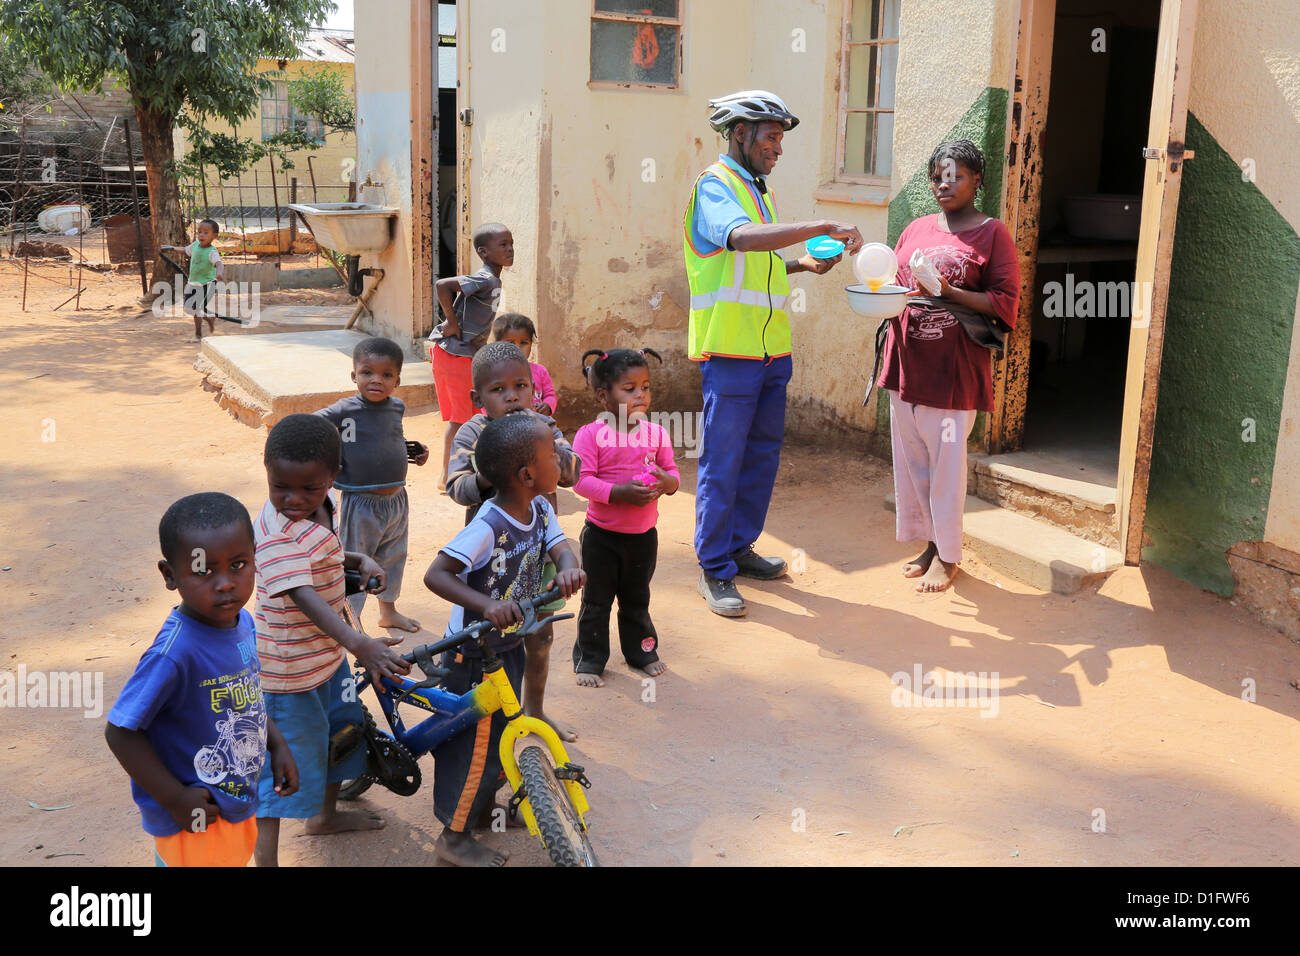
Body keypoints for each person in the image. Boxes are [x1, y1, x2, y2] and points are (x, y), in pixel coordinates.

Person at [685, 90, 864, 617]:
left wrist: (801, 266)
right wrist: (820, 226)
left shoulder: (756, 189)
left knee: (761, 456)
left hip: (771, 351)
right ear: (739, 132)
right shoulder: (716, 186)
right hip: (730, 351)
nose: (778, 148)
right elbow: (740, 241)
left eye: (781, 138)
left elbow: (754, 262)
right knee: (724, 461)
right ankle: (714, 567)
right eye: (770, 136)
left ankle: (739, 547)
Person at [423, 412, 586, 866]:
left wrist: (569, 565)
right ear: (527, 473)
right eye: (553, 454)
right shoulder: (488, 525)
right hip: (473, 652)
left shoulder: (540, 507)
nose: (561, 459)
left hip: (508, 645)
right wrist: (485, 604)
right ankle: (451, 841)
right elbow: (436, 574)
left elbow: (559, 544)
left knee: (499, 739)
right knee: (471, 749)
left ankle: (481, 813)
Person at [252, 414, 412, 866]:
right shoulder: (275, 535)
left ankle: (323, 816)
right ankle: (266, 860)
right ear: (266, 470)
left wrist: (359, 560)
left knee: (340, 737)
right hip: (289, 675)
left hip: (327, 658)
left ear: (333, 478)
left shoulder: (324, 507)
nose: (294, 500)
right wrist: (358, 643)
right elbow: (304, 596)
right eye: (281, 486)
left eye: (309, 489)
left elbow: (323, 552)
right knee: (283, 767)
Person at [105, 493, 298, 867]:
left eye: (238, 564)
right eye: (203, 571)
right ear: (169, 575)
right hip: (196, 817)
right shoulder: (174, 654)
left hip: (233, 802)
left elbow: (247, 699)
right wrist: (175, 799)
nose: (225, 583)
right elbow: (120, 732)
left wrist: (277, 745)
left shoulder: (242, 623)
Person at [881, 140, 1021, 592]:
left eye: (956, 175)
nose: (945, 183)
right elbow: (897, 285)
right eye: (938, 176)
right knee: (913, 462)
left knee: (946, 465)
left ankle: (950, 555)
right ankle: (930, 544)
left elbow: (1003, 304)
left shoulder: (991, 233)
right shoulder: (916, 228)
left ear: (976, 180)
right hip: (905, 363)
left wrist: (947, 291)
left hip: (954, 369)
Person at [446, 340, 581, 741]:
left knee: (539, 636)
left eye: (521, 386)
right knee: (493, 643)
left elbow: (571, 473)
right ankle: (490, 721)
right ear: (478, 397)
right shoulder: (473, 432)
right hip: (493, 560)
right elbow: (457, 487)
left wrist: (542, 440)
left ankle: (534, 712)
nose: (512, 396)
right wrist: (493, 469)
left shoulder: (544, 427)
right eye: (499, 390)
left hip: (539, 554)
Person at [570, 348, 679, 686]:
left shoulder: (656, 433)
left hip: (643, 537)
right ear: (603, 395)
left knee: (637, 600)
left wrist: (666, 482)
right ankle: (590, 659)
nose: (640, 395)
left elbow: (673, 476)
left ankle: (642, 652)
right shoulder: (589, 435)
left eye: (645, 387)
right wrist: (620, 493)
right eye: (629, 389)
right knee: (596, 602)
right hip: (602, 537)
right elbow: (581, 481)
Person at [316, 337, 429, 633]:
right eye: (367, 372)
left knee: (393, 557)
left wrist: (411, 450)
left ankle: (388, 611)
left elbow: (388, 440)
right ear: (354, 375)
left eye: (386, 374)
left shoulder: (396, 407)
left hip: (396, 500)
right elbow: (313, 425)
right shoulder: (345, 409)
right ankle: (351, 625)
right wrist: (331, 456)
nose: (376, 380)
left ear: (397, 380)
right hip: (359, 501)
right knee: (355, 565)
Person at [430, 222, 514, 489]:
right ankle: (447, 476)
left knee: (466, 414)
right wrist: (451, 322)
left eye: (511, 243)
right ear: (484, 252)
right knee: (461, 418)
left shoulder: (493, 279)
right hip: (454, 354)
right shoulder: (485, 278)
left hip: (460, 354)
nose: (510, 249)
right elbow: (442, 285)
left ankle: (456, 472)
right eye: (503, 245)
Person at [161, 218, 224, 343]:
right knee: (189, 308)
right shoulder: (195, 246)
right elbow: (185, 250)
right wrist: (171, 248)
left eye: (206, 232)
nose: (201, 235)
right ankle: (209, 318)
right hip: (193, 283)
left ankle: (198, 334)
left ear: (214, 236)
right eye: (200, 232)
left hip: (207, 284)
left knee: (195, 308)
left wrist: (219, 273)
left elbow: (219, 263)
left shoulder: (212, 252)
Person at [491, 312, 557, 415]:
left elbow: (550, 395)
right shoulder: (493, 373)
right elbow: (487, 400)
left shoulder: (540, 371)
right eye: (511, 343)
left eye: (524, 343)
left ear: (531, 344)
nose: (517, 348)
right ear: (498, 345)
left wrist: (548, 405)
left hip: (537, 424)